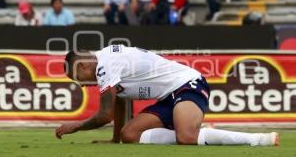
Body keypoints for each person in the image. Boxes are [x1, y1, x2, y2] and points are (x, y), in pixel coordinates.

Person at [55, 45, 279, 146]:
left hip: (186, 85)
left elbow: (105, 115)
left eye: (77, 78)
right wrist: (115, 139)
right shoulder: (106, 62)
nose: (82, 85)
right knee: (129, 135)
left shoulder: (105, 65)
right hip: (167, 98)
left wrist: (74, 127)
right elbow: (121, 102)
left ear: (84, 66)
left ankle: (257, 140)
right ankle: (200, 132)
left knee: (186, 139)